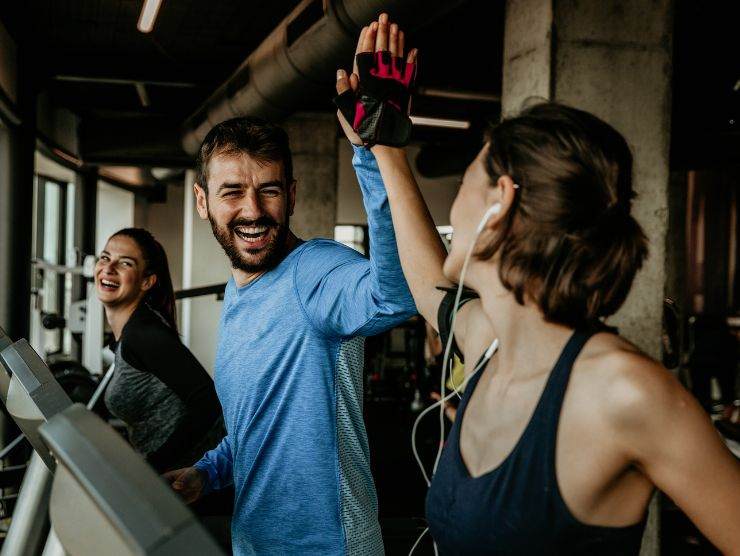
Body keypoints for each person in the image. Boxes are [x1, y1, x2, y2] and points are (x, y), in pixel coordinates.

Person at [334, 15, 740, 554]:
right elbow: (429, 286)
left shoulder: (624, 391)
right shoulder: (489, 345)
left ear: (499, 202)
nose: (454, 203)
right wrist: (384, 148)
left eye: (465, 183)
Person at [162, 47, 417, 554]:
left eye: (269, 190)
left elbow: (397, 298)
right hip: (254, 543)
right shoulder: (239, 295)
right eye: (232, 191)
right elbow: (256, 429)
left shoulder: (316, 271)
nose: (252, 210)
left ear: (293, 195)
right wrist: (206, 474)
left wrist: (374, 154)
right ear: (202, 202)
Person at [95, 228, 224, 474]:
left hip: (190, 482)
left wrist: (154, 467)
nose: (109, 268)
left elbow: (207, 402)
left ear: (147, 281)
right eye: (105, 257)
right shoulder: (131, 333)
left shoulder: (142, 334)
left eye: (125, 263)